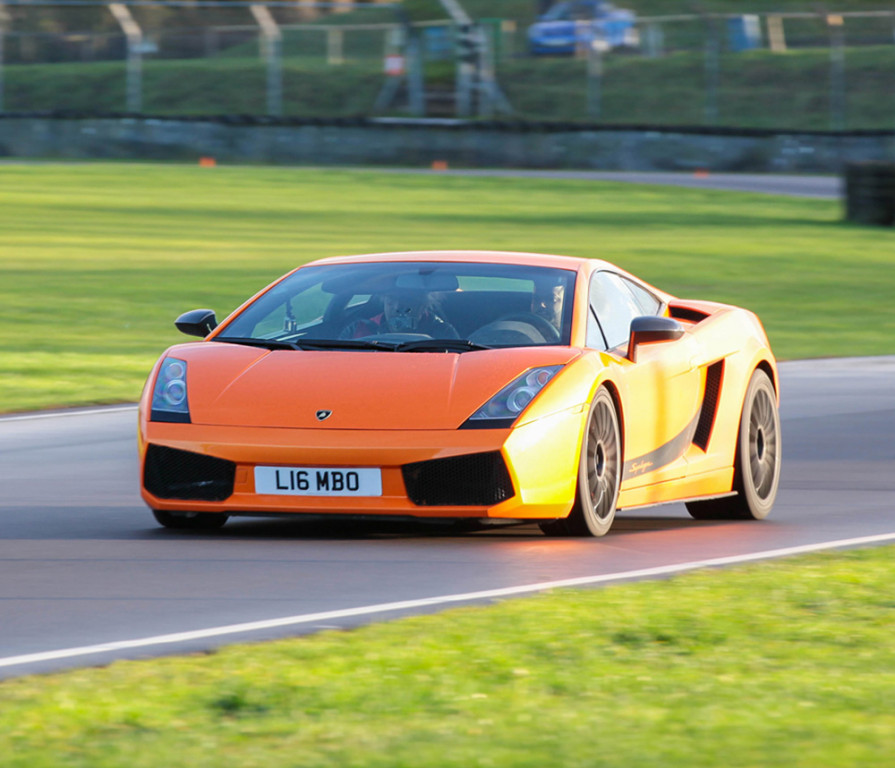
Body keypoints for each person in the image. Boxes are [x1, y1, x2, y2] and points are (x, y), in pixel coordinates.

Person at [339, 287, 459, 339]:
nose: (398, 307)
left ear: (423, 306)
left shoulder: (443, 333)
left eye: (408, 300)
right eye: (391, 299)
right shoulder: (357, 330)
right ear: (384, 302)